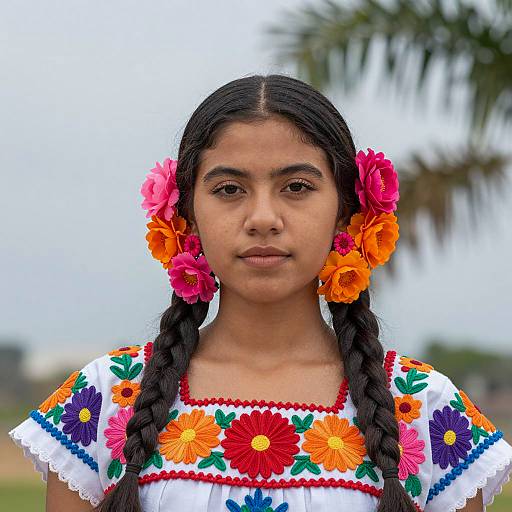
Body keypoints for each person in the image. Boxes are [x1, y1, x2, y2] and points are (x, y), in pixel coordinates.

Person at [8, 74, 512, 512]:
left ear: (347, 210)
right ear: (184, 212)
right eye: (229, 189)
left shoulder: (426, 409)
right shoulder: (103, 400)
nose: (263, 218)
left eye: (296, 186)